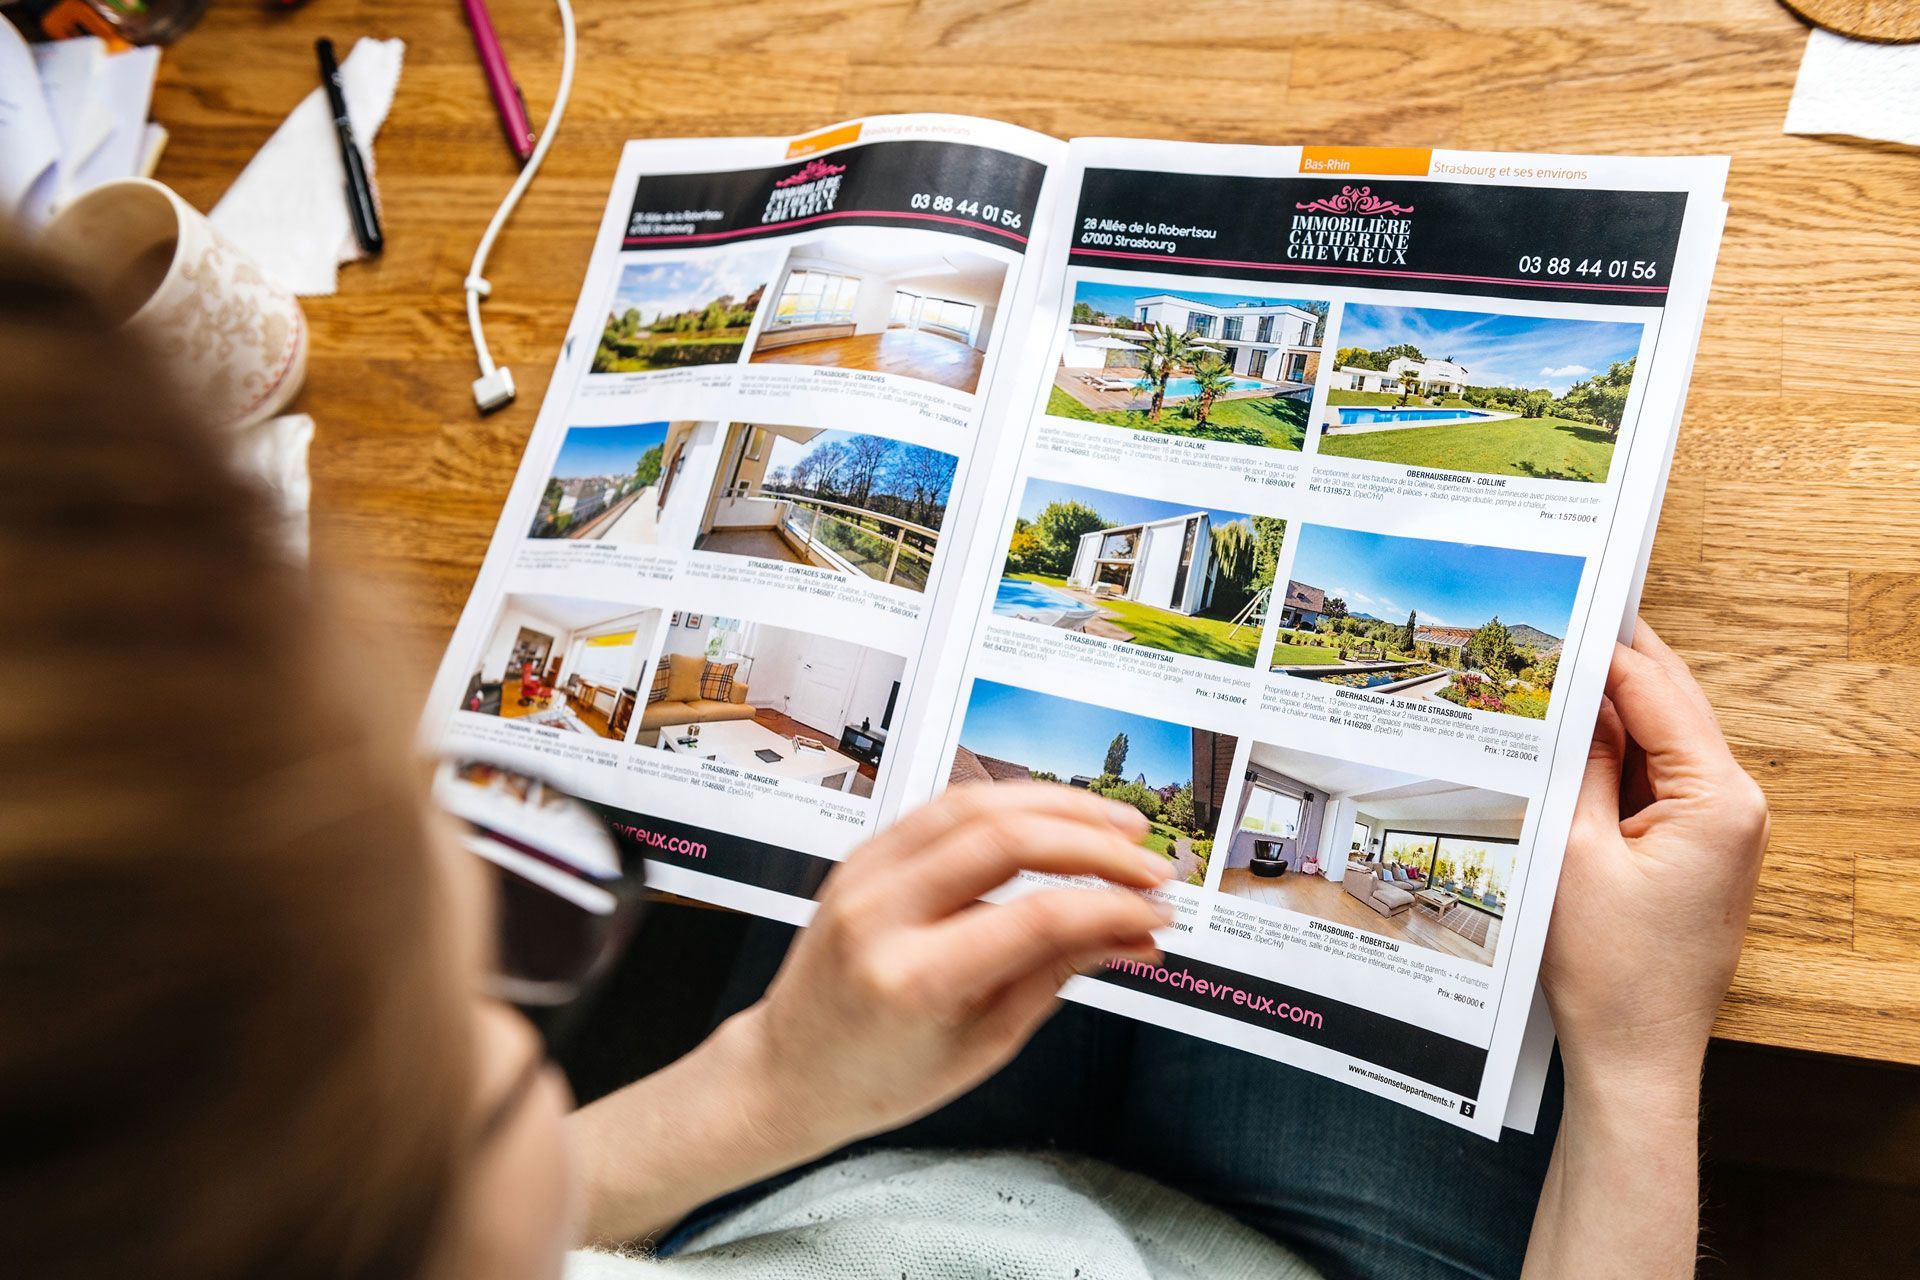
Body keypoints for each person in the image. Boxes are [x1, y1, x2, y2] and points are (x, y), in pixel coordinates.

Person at [0, 247, 1768, 1280]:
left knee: (1038, 866)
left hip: (863, 1173)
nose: (507, 1022)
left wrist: (771, 1078)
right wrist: (1636, 1073)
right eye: (468, 966)